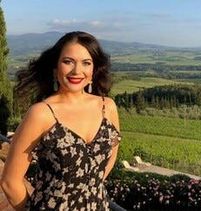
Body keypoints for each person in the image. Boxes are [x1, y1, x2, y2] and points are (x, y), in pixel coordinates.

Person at [0, 31, 122, 211]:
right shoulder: (41, 114)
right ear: (56, 67)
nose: (76, 71)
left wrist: (89, 186)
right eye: (68, 61)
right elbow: (10, 182)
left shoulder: (107, 107)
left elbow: (112, 151)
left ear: (94, 69)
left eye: (86, 63)